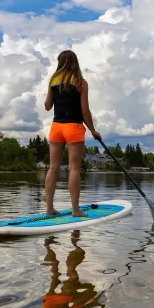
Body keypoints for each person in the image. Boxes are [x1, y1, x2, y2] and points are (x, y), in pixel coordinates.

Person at [44, 50, 101, 217]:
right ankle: (76, 210)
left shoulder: (52, 81)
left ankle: (49, 208)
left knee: (53, 167)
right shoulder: (81, 82)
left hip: (56, 127)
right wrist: (92, 130)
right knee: (74, 168)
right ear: (75, 62)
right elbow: (85, 110)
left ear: (60, 62)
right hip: (73, 127)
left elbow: (47, 106)